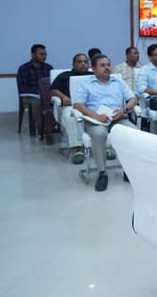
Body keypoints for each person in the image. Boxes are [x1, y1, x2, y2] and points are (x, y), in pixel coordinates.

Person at [73, 55, 138, 192]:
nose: (107, 68)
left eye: (108, 65)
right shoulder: (86, 84)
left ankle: (129, 170)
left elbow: (133, 99)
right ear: (93, 69)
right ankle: (102, 173)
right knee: (99, 133)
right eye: (102, 65)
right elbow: (78, 104)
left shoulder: (118, 82)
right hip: (96, 120)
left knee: (134, 132)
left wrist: (123, 110)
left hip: (118, 118)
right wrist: (95, 116)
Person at [50, 53, 92, 164]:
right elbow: (53, 90)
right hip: (71, 105)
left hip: (90, 105)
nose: (83, 64)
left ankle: (106, 146)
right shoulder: (65, 75)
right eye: (79, 62)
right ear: (73, 64)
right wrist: (63, 96)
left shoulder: (93, 76)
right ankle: (78, 148)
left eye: (85, 62)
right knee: (70, 117)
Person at [16, 43, 53, 135]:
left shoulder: (48, 68)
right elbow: (22, 88)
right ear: (33, 55)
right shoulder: (24, 68)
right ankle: (42, 128)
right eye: (41, 54)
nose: (44, 57)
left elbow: (53, 84)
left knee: (57, 101)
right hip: (29, 96)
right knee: (37, 102)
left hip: (46, 95)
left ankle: (52, 125)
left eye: (45, 54)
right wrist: (37, 92)